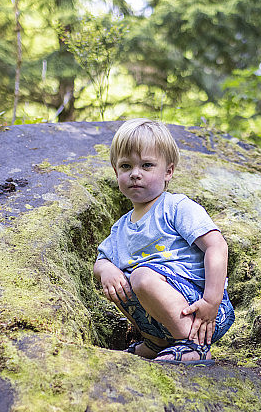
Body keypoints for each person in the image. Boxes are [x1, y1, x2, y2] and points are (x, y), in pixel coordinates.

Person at [94, 118, 235, 364]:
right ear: (116, 172)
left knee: (141, 276)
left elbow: (216, 245)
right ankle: (157, 342)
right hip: (163, 316)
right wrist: (106, 270)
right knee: (120, 282)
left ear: (168, 171)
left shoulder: (176, 207)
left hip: (201, 312)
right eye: (126, 166)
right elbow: (102, 260)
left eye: (147, 165)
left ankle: (194, 345)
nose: (135, 174)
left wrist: (211, 301)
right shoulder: (121, 228)